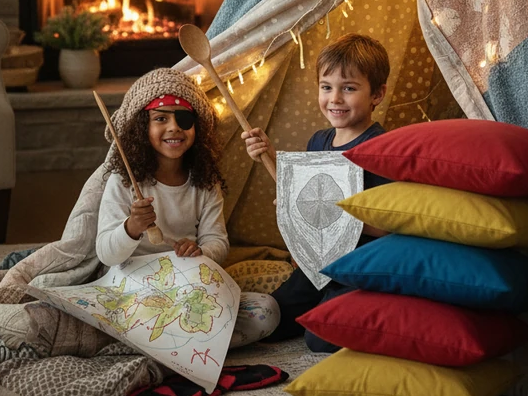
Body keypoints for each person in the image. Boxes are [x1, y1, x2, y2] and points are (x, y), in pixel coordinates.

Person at [241, 33, 391, 351]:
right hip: (318, 264)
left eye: (348, 88)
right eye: (326, 87)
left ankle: (354, 312)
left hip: (357, 266)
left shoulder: (380, 150)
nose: (334, 98)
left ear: (377, 94)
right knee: (270, 317)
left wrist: (340, 217)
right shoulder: (318, 142)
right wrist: (268, 156)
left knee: (319, 338)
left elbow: (389, 227)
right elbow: (307, 198)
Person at [96, 68, 230, 269]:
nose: (174, 127)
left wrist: (202, 251)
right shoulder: (123, 180)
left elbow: (218, 241)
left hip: (186, 278)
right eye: (160, 118)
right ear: (142, 128)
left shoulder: (205, 181)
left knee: (266, 302)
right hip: (131, 282)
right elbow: (106, 255)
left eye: (184, 119)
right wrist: (132, 227)